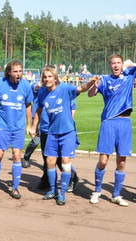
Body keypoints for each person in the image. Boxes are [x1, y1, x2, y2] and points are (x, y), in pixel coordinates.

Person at [87, 35, 136, 207]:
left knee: (122, 161)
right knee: (103, 160)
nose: (115, 65)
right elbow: (90, 94)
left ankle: (116, 195)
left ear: (122, 64)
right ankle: (97, 190)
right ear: (110, 65)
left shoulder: (129, 76)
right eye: (113, 63)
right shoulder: (105, 80)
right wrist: (94, 84)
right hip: (108, 122)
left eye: (118, 63)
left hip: (124, 123)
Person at [35, 67, 98, 205]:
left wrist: (91, 82)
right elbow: (39, 109)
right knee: (50, 162)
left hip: (67, 132)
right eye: (45, 77)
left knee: (65, 163)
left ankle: (62, 193)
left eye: (50, 76)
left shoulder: (64, 88)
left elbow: (81, 89)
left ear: (55, 77)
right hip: (51, 132)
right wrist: (35, 126)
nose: (47, 79)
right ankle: (53, 190)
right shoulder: (42, 92)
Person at [0, 60, 34, 199]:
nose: (18, 74)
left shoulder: (25, 85)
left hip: (18, 127)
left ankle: (15, 188)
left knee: (17, 155)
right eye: (15, 71)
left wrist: (30, 124)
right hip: (2, 126)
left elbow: (29, 105)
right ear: (9, 72)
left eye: (20, 71)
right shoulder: (0, 84)